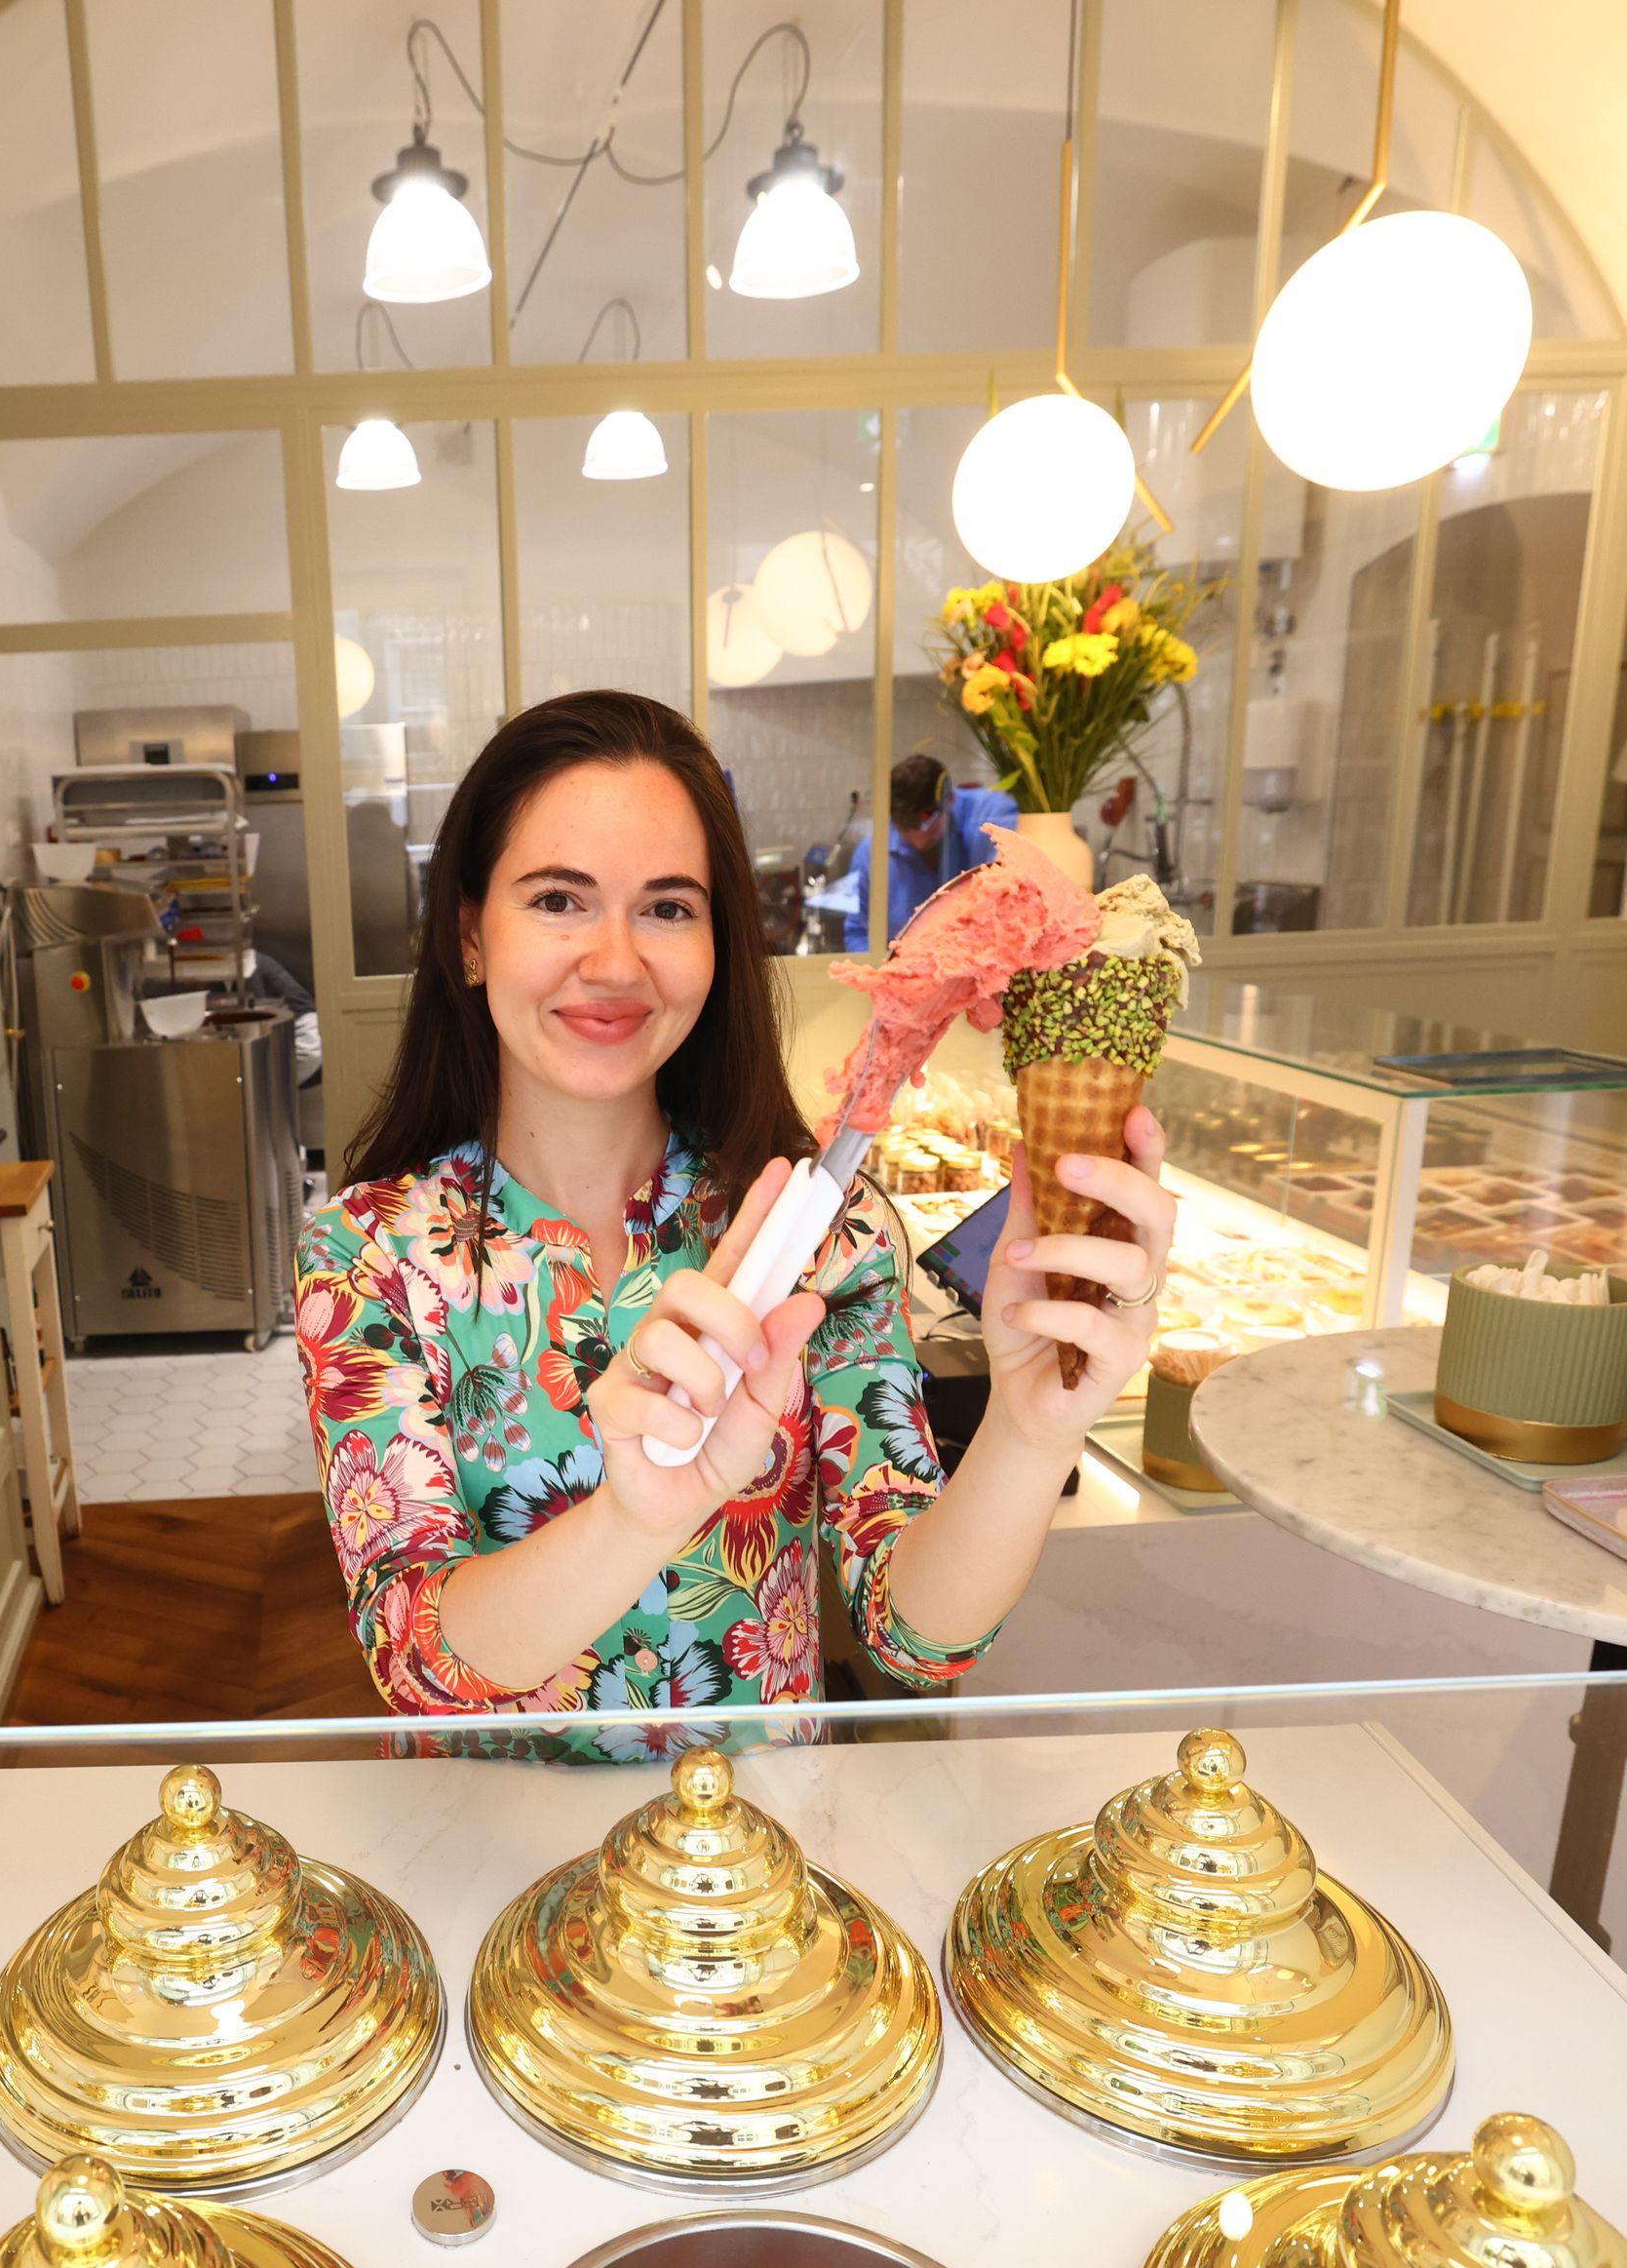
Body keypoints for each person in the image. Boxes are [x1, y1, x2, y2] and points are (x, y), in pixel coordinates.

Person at [294, 689, 1177, 1746]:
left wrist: (1030, 1435)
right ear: (470, 936)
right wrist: (634, 1518)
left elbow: (915, 1637)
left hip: (751, 1879)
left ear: (719, 948)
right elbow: (417, 1659)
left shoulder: (821, 1236)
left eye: (668, 907)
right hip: (490, 1866)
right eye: (557, 900)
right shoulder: (368, 1254)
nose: (615, 962)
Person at [860, 752, 1023, 942]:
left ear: (950, 799)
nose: (918, 839)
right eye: (905, 828)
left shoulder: (994, 818)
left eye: (926, 824)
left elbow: (1008, 904)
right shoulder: (874, 852)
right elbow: (859, 931)